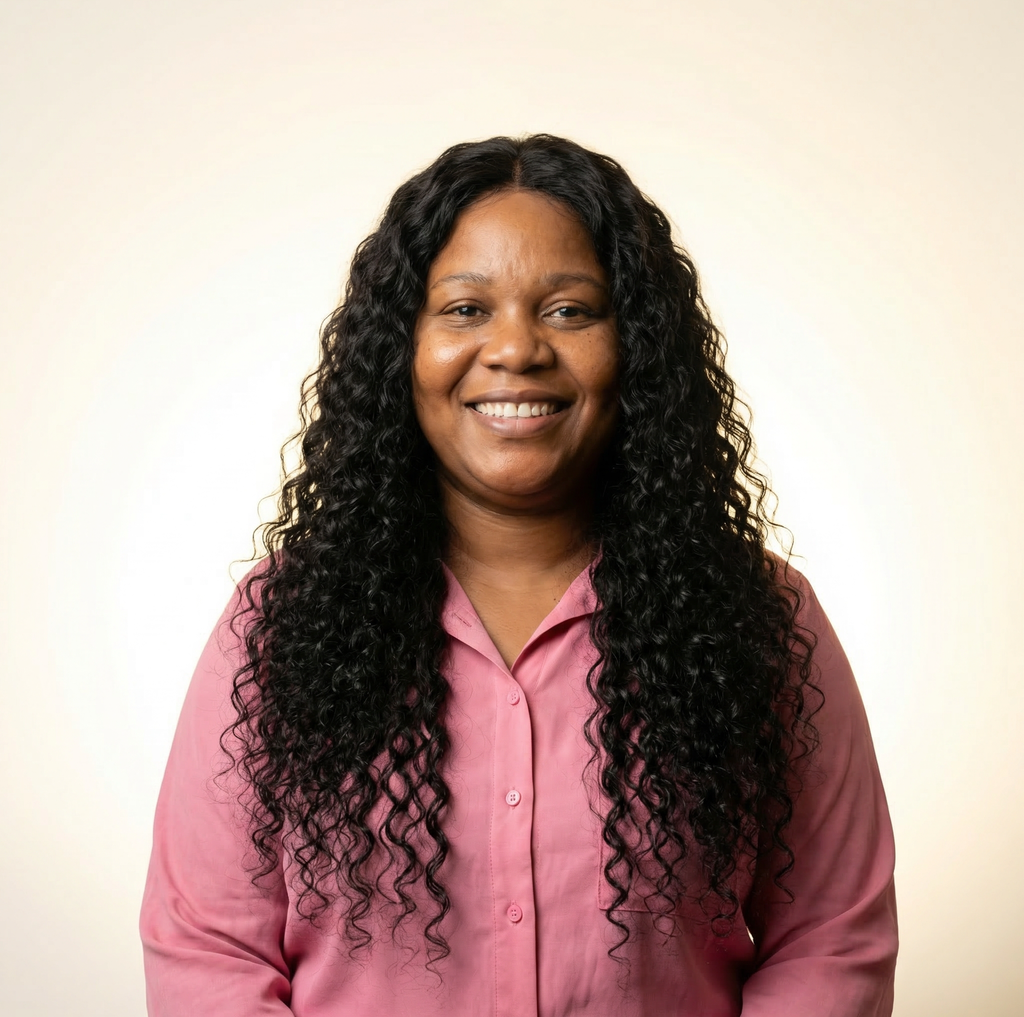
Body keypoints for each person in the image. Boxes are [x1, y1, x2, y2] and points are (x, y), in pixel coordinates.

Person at [140, 134, 897, 1016]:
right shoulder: (278, 624)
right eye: (465, 309)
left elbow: (832, 940)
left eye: (570, 310)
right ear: (401, 348)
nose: (516, 349)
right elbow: (209, 952)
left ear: (635, 347)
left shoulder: (760, 618)